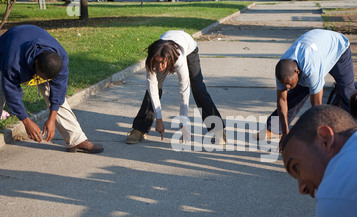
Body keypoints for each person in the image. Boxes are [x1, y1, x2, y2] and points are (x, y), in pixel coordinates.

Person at [0, 25, 103, 153]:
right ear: (36, 63)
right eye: (42, 76)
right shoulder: (13, 62)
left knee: (53, 92)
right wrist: (26, 122)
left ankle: (76, 140)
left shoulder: (61, 58)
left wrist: (52, 118)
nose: (41, 80)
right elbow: (11, 91)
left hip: (34, 43)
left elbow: (59, 89)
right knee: (1, 86)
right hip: (7, 49)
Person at [256, 29, 357, 142]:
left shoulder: (311, 70)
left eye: (289, 83)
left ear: (297, 72)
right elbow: (282, 101)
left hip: (339, 48)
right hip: (316, 50)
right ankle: (274, 129)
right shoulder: (282, 71)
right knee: (294, 94)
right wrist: (285, 133)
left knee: (348, 93)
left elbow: (316, 107)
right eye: (285, 84)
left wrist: (317, 136)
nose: (287, 87)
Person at [126, 30, 225, 144]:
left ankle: (217, 130)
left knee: (198, 88)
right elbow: (152, 89)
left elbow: (184, 90)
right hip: (166, 51)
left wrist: (184, 125)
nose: (160, 67)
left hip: (189, 48)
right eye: (156, 63)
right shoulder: (152, 59)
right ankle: (139, 129)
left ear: (168, 60)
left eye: (162, 63)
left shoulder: (178, 60)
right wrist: (159, 119)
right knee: (153, 90)